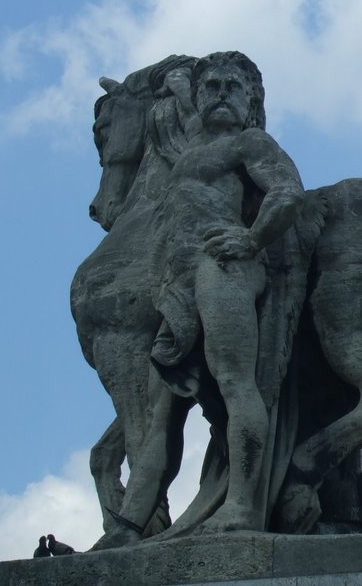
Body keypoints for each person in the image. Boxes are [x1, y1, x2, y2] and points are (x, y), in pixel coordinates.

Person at [150, 51, 305, 532]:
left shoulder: (250, 143)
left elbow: (287, 191)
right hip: (178, 282)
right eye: (210, 86)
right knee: (163, 406)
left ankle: (241, 506)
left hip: (224, 267)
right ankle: (138, 519)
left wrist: (253, 238)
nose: (220, 93)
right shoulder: (196, 146)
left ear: (251, 100)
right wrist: (178, 85)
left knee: (237, 383)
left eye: (232, 87)